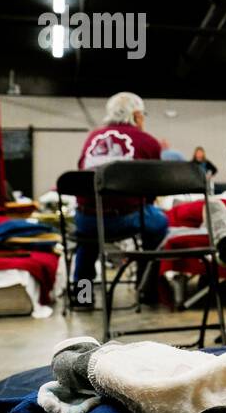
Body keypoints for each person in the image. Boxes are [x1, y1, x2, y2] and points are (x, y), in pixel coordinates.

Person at [72, 92, 169, 304]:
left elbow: (80, 172)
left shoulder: (92, 138)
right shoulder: (148, 142)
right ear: (136, 116)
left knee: (87, 242)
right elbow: (153, 189)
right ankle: (145, 287)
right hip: (126, 218)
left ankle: (82, 296)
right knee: (159, 223)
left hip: (87, 219)